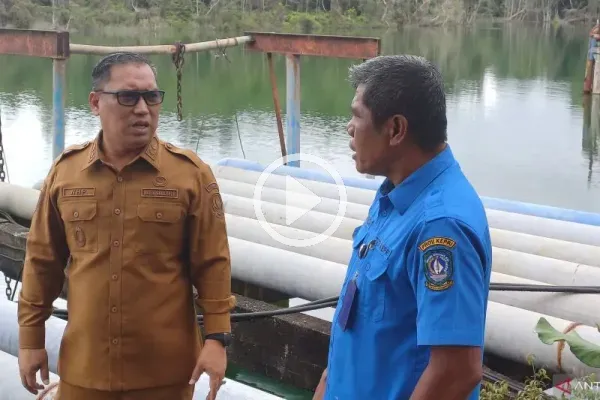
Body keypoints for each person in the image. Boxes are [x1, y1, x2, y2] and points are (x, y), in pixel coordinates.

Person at [17, 52, 236, 400]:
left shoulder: (190, 175)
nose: (143, 109)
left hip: (166, 373)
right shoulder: (66, 173)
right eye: (128, 97)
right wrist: (31, 340)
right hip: (85, 370)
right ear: (95, 103)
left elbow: (213, 263)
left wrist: (217, 338)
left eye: (152, 96)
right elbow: (43, 261)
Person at [313, 55, 493, 400]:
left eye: (357, 116)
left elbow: (457, 371)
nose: (349, 128)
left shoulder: (441, 226)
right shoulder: (395, 194)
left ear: (395, 129)